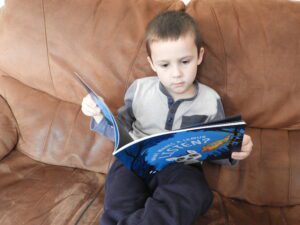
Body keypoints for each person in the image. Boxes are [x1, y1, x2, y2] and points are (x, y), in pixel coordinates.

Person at [81, 10, 253, 225]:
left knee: (194, 191)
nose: (176, 74)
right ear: (152, 64)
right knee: (119, 194)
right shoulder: (139, 90)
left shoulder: (210, 100)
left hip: (180, 167)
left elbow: (214, 147)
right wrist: (98, 115)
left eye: (184, 61)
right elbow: (120, 130)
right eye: (165, 65)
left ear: (199, 56)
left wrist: (233, 148)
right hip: (135, 160)